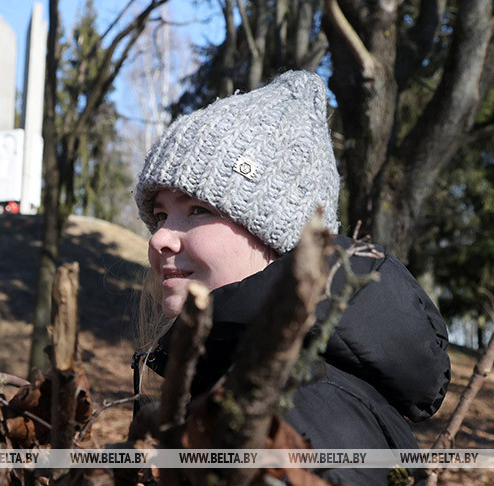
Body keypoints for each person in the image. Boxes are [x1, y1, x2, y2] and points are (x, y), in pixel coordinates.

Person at [131, 71, 451, 485]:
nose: (159, 238)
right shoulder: (247, 384)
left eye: (197, 209)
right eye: (159, 215)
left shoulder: (301, 412)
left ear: (279, 240)